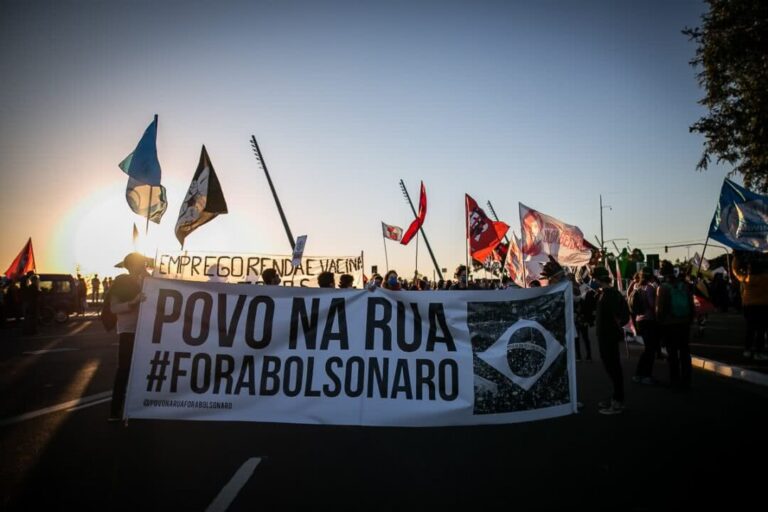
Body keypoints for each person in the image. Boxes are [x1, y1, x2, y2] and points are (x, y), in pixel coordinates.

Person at [108, 252, 149, 422]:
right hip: (128, 331)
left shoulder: (148, 281)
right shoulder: (121, 282)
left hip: (146, 331)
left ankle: (140, 408)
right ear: (132, 265)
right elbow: (114, 308)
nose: (144, 266)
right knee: (124, 370)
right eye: (141, 263)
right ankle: (115, 410)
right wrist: (133, 302)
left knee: (144, 371)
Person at [593, 266, 630, 415]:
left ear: (599, 279)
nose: (592, 281)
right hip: (605, 336)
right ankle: (616, 396)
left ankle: (618, 402)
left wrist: (616, 329)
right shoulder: (603, 294)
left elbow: (619, 317)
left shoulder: (611, 294)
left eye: (594, 278)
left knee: (614, 367)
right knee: (610, 367)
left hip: (609, 336)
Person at [656, 260, 695, 388]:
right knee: (685, 352)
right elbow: (691, 304)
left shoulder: (663, 288)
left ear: (662, 273)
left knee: (672, 354)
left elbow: (660, 310)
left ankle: (675, 381)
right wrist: (690, 319)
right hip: (684, 322)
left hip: (669, 324)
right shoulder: (684, 285)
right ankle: (687, 380)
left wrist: (660, 324)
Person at [731, 252, 768, 360]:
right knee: (761, 330)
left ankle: (747, 350)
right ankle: (758, 352)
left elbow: (735, 270)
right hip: (764, 305)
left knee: (750, 328)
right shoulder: (766, 278)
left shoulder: (746, 278)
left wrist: (736, 257)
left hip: (749, 306)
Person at [629, 267, 660, 384]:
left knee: (648, 348)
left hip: (639, 319)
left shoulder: (636, 287)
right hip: (649, 320)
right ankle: (646, 376)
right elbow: (653, 305)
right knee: (650, 350)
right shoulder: (650, 288)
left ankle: (639, 374)